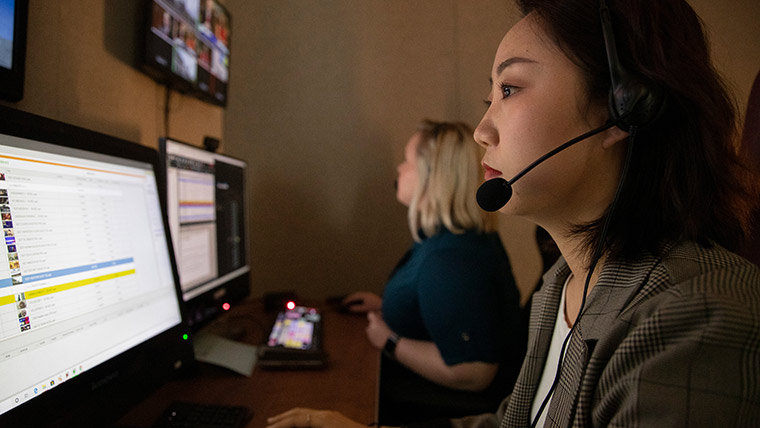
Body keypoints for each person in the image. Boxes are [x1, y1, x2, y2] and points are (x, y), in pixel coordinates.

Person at [267, 0, 760, 426]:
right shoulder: (561, 285)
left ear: (623, 108)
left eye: (509, 90)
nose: (482, 129)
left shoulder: (697, 317)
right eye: (491, 96)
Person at [268, 120, 526, 427]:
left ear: (433, 176)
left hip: (447, 407)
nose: (400, 169)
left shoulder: (451, 259)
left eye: (407, 161)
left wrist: (389, 340)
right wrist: (385, 305)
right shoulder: (447, 238)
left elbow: (474, 372)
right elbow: (445, 307)